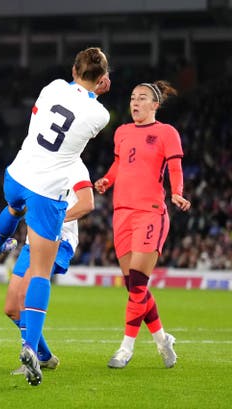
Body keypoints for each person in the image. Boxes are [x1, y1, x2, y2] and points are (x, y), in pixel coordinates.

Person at [0, 47, 111, 386]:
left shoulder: (52, 88)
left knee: (13, 210)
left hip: (19, 173)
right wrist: (96, 94)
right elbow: (84, 118)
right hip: (44, 195)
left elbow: (86, 203)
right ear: (102, 81)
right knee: (20, 298)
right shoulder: (97, 117)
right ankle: (36, 351)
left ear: (73, 69)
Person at [94, 80, 191, 369]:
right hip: (121, 212)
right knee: (133, 286)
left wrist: (177, 192)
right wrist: (107, 180)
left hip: (150, 212)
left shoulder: (166, 132)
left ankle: (126, 348)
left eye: (142, 98)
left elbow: (175, 167)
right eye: (133, 97)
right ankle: (162, 340)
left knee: (137, 283)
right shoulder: (122, 133)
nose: (135, 102)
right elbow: (118, 165)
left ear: (155, 105)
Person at [6, 159, 94, 375]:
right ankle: (45, 357)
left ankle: (31, 356)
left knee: (26, 292)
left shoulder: (74, 164)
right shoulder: (39, 162)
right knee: (11, 308)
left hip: (58, 238)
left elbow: (86, 203)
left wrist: (54, 219)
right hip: (31, 241)